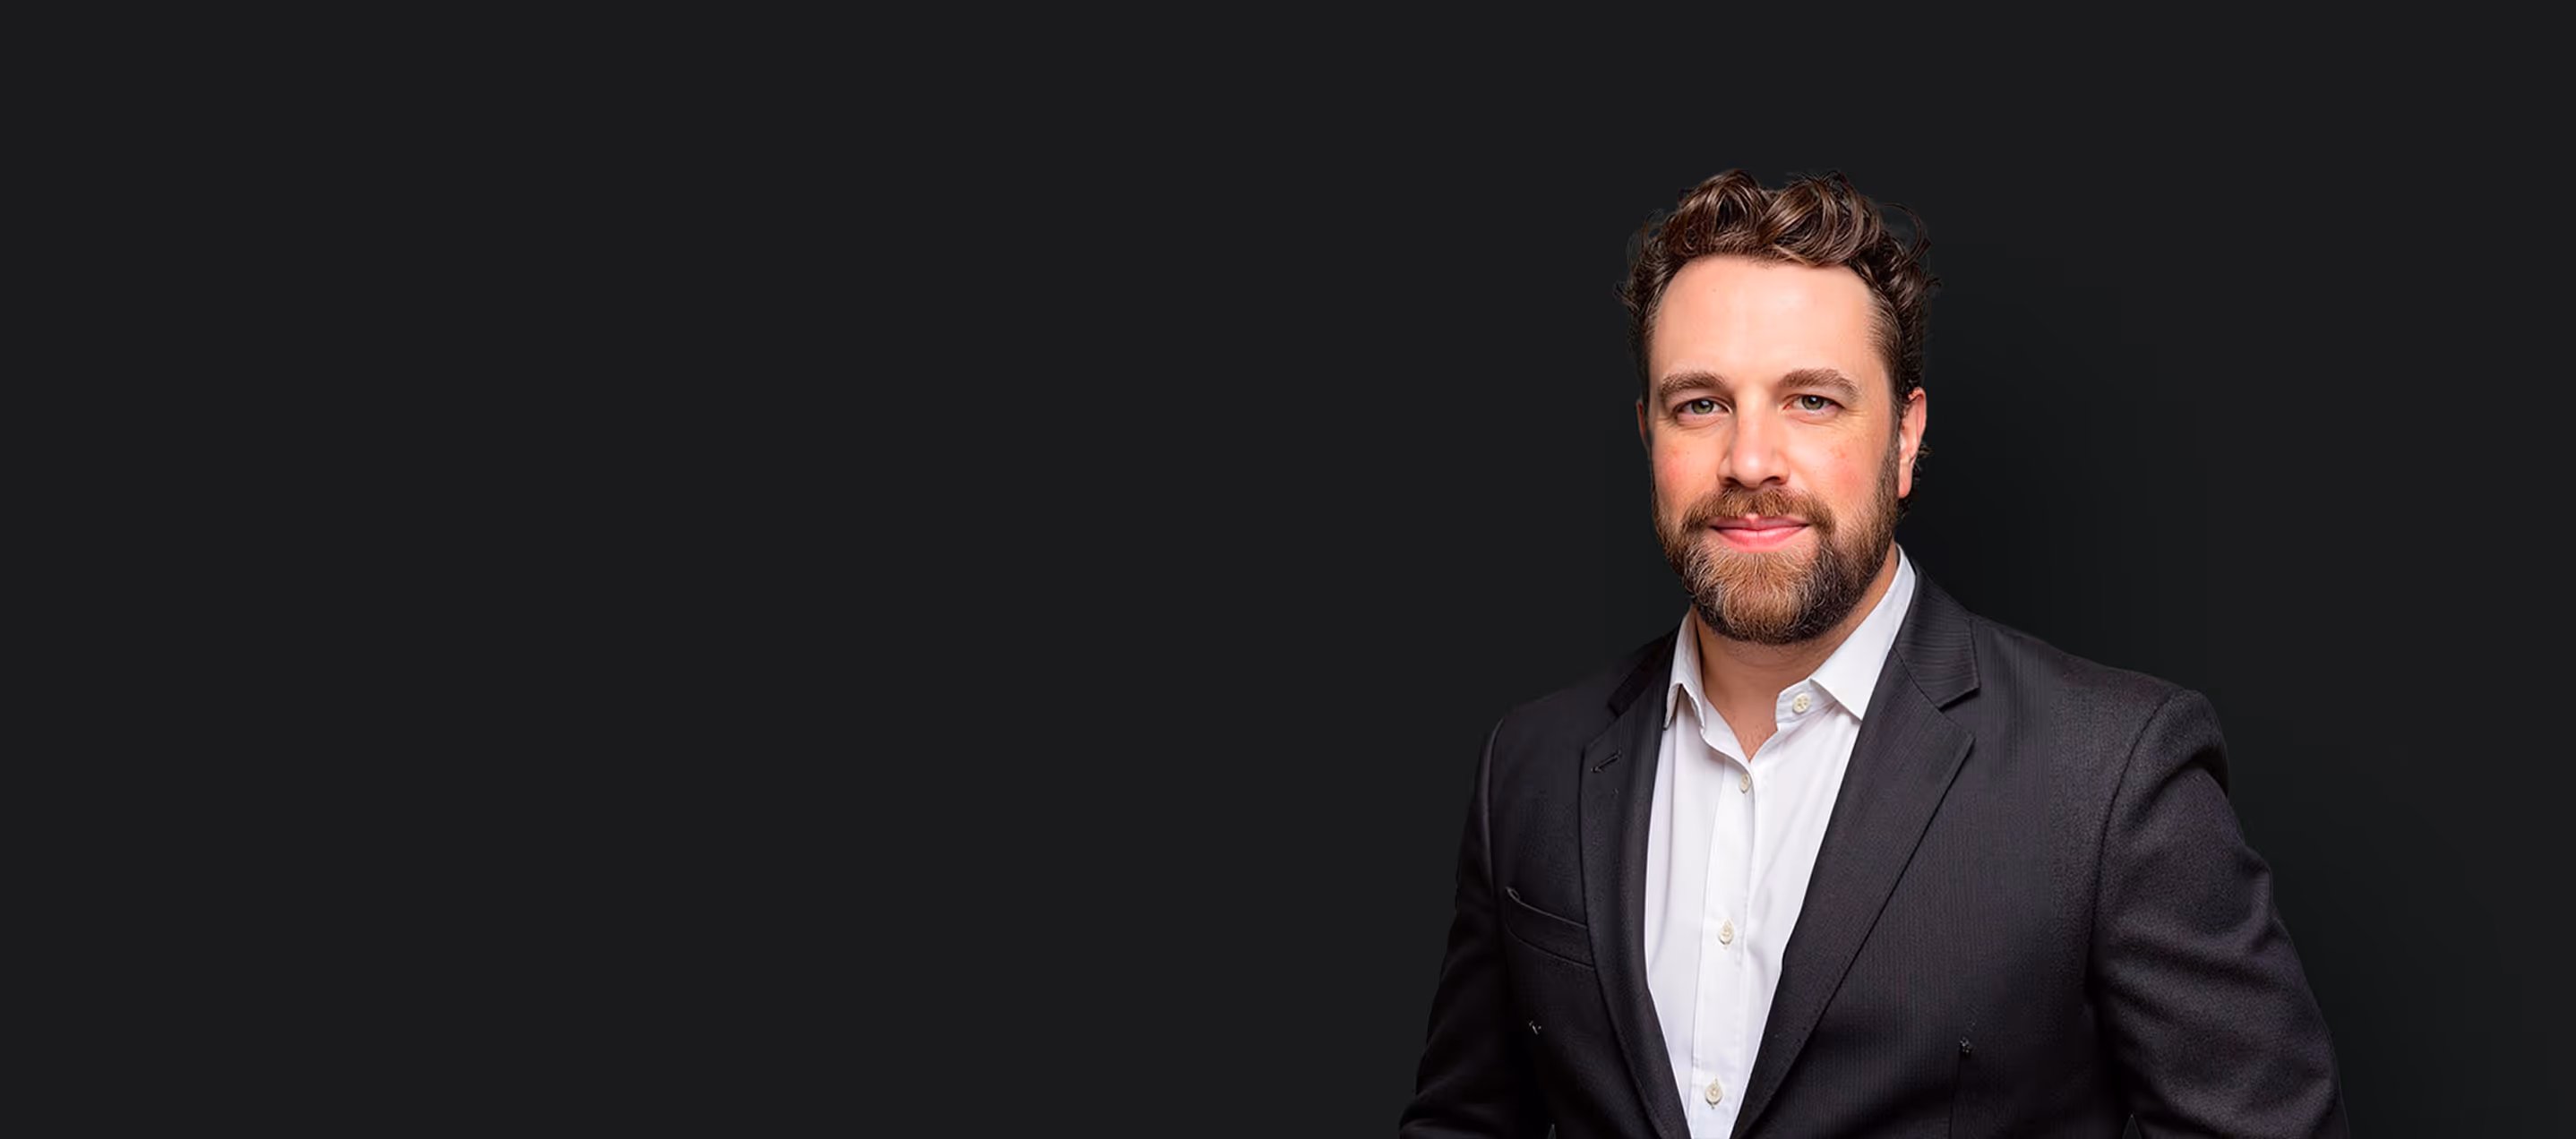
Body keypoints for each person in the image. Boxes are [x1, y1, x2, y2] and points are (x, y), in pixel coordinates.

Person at [1397, 170, 2346, 1138]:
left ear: (1904, 439)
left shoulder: (2110, 781)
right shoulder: (1529, 766)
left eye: (1810, 401)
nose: (1750, 460)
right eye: (1698, 405)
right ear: (1647, 435)